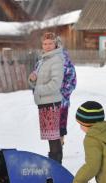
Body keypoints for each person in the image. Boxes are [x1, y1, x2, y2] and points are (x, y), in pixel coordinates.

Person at [28, 32, 65, 163]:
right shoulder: (43, 59)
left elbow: (55, 84)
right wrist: (33, 80)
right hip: (44, 103)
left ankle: (56, 165)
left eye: (50, 43)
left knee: (54, 137)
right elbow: (40, 81)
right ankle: (54, 164)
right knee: (51, 137)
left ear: (55, 44)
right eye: (45, 43)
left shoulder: (56, 60)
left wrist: (38, 89)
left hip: (52, 103)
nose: (47, 46)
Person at [55, 37, 76, 146]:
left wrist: (61, 92)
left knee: (60, 127)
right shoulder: (44, 60)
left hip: (61, 101)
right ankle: (54, 150)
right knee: (51, 128)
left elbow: (72, 81)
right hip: (47, 101)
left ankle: (58, 150)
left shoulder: (65, 62)